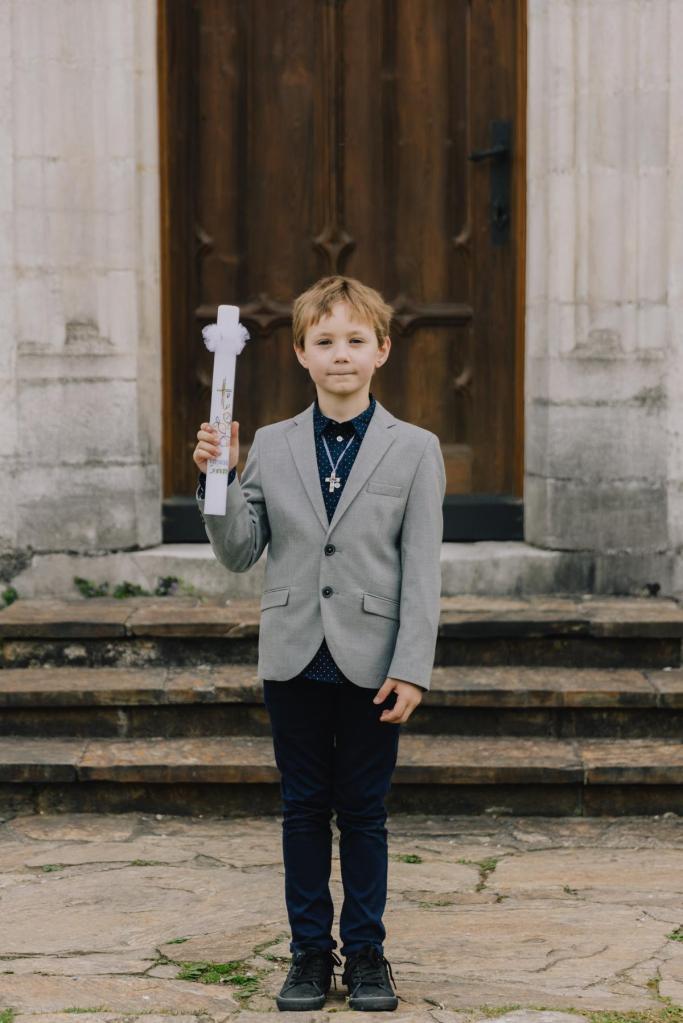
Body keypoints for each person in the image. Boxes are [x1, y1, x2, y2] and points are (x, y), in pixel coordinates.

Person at [193, 275, 446, 1012]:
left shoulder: (415, 449)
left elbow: (422, 569)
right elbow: (240, 551)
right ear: (301, 352)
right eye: (325, 340)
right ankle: (309, 953)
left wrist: (412, 667)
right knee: (303, 809)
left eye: (355, 340)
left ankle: (366, 953)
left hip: (373, 661)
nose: (341, 354)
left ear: (382, 351)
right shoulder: (271, 444)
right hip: (294, 653)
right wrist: (218, 479)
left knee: (363, 812)